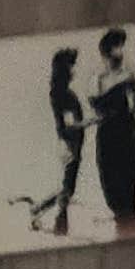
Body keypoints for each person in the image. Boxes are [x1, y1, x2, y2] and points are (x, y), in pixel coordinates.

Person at [89, 27, 135, 237]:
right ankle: (123, 234)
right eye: (115, 48)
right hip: (107, 138)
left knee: (128, 191)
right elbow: (95, 109)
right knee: (112, 191)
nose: (119, 53)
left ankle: (132, 234)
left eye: (120, 48)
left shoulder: (129, 76)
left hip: (126, 137)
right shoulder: (97, 79)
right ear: (105, 53)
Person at [46, 45, 87, 235]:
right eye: (71, 66)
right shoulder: (63, 95)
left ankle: (44, 212)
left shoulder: (59, 93)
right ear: (64, 70)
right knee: (68, 186)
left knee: (67, 185)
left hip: (71, 142)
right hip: (70, 143)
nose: (73, 70)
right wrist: (91, 121)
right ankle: (60, 225)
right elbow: (67, 125)